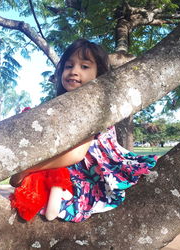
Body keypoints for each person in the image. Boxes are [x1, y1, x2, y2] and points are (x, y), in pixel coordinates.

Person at [9, 39, 157, 223]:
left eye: (85, 66)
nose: (74, 71)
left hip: (91, 174)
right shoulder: (65, 106)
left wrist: (26, 171)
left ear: (99, 74)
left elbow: (77, 154)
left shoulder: (90, 105)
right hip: (70, 170)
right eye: (69, 66)